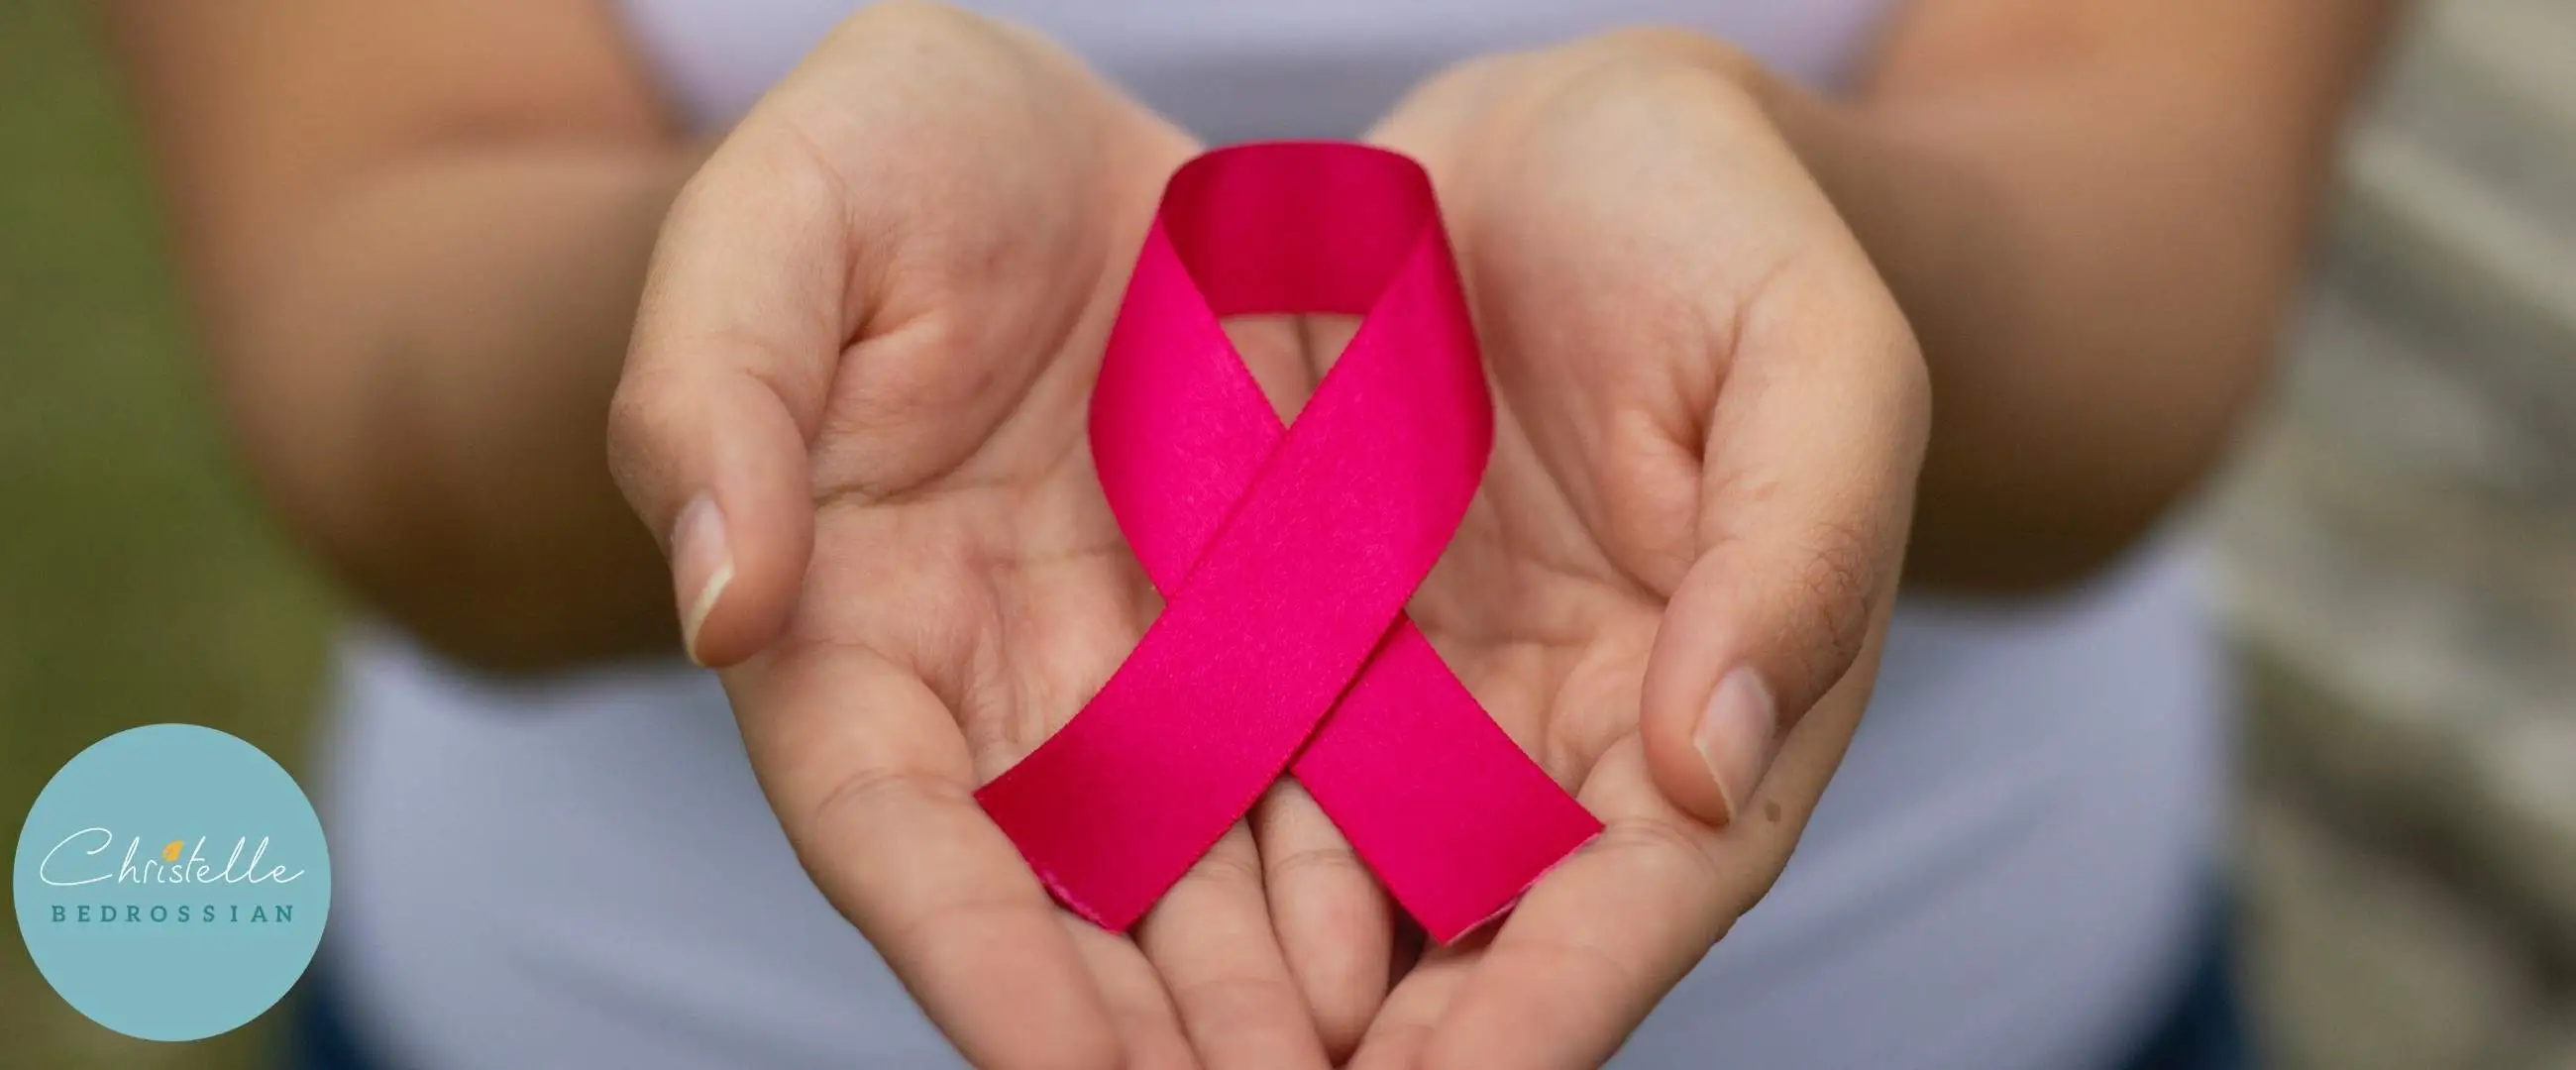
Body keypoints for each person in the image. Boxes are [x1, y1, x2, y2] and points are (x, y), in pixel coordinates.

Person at [106, 1, 2395, 1067]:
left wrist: (1812, 241)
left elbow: (2154, 235)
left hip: (1960, 995)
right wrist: (765, 303)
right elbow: (355, 315)